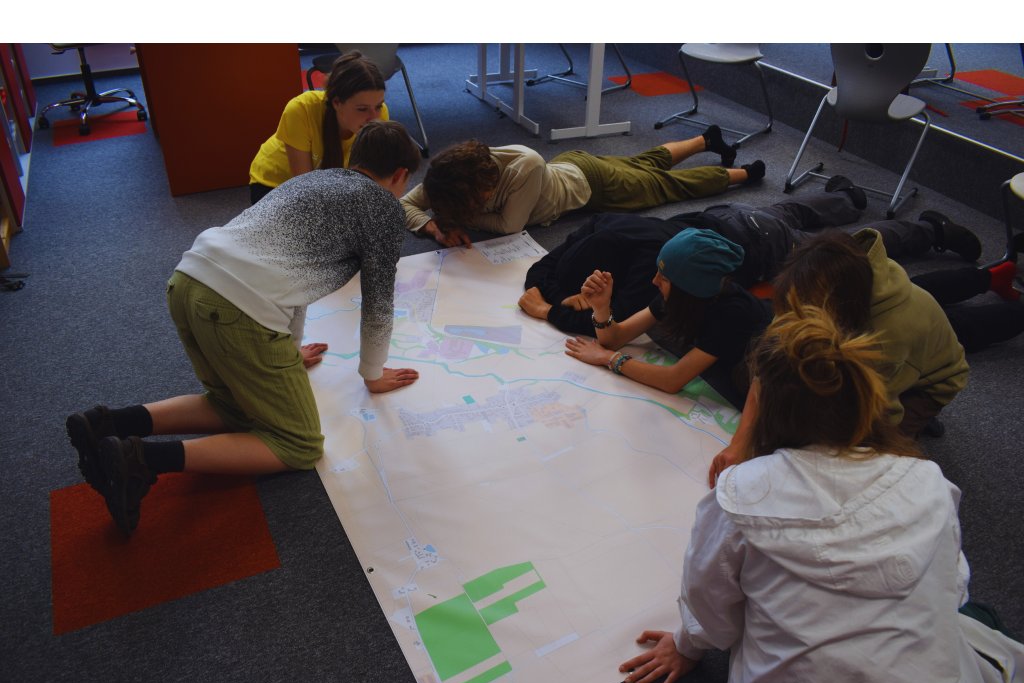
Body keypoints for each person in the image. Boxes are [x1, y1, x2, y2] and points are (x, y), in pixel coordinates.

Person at [618, 307, 1024, 683]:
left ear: (767, 410)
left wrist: (685, 646)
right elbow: (953, 586)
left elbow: (710, 606)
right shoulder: (928, 479)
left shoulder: (742, 495)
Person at [66, 121, 422, 536]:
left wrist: (289, 349)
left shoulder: (314, 180)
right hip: (236, 308)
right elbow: (378, 302)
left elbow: (294, 276)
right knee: (300, 446)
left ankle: (107, 423)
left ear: (354, 158)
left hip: (187, 281)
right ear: (400, 175)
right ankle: (142, 460)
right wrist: (373, 374)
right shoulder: (383, 208)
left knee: (236, 404)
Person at [709, 225, 1024, 486]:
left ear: (836, 311)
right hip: (882, 340)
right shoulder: (812, 287)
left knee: (859, 462)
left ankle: (921, 417)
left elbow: (874, 415)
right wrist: (740, 442)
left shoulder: (891, 335)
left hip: (926, 383)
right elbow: (767, 367)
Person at [518, 176, 985, 338]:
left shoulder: (651, 268)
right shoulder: (601, 229)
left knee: (835, 248)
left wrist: (551, 309)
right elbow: (543, 269)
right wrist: (558, 293)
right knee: (785, 213)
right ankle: (846, 196)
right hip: (726, 217)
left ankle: (929, 230)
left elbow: (613, 323)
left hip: (754, 246)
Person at [400, 126, 767, 248]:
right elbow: (405, 203)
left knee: (664, 186)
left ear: (481, 187)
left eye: (472, 202)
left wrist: (458, 221)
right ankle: (706, 140)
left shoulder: (525, 165)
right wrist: (433, 226)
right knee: (644, 163)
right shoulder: (451, 176)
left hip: (594, 187)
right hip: (572, 166)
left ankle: (744, 175)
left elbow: (510, 226)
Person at [561, 228, 771, 409]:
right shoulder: (680, 296)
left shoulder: (733, 314)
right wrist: (601, 308)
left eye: (664, 278)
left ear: (690, 288)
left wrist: (609, 358)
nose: (654, 281)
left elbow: (672, 380)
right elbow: (615, 339)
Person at [248, 51, 389, 205]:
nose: (373, 117)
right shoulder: (301, 109)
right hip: (275, 185)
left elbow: (371, 179)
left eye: (378, 106)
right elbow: (305, 191)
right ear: (337, 103)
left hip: (330, 186)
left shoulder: (381, 115)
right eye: (362, 109)